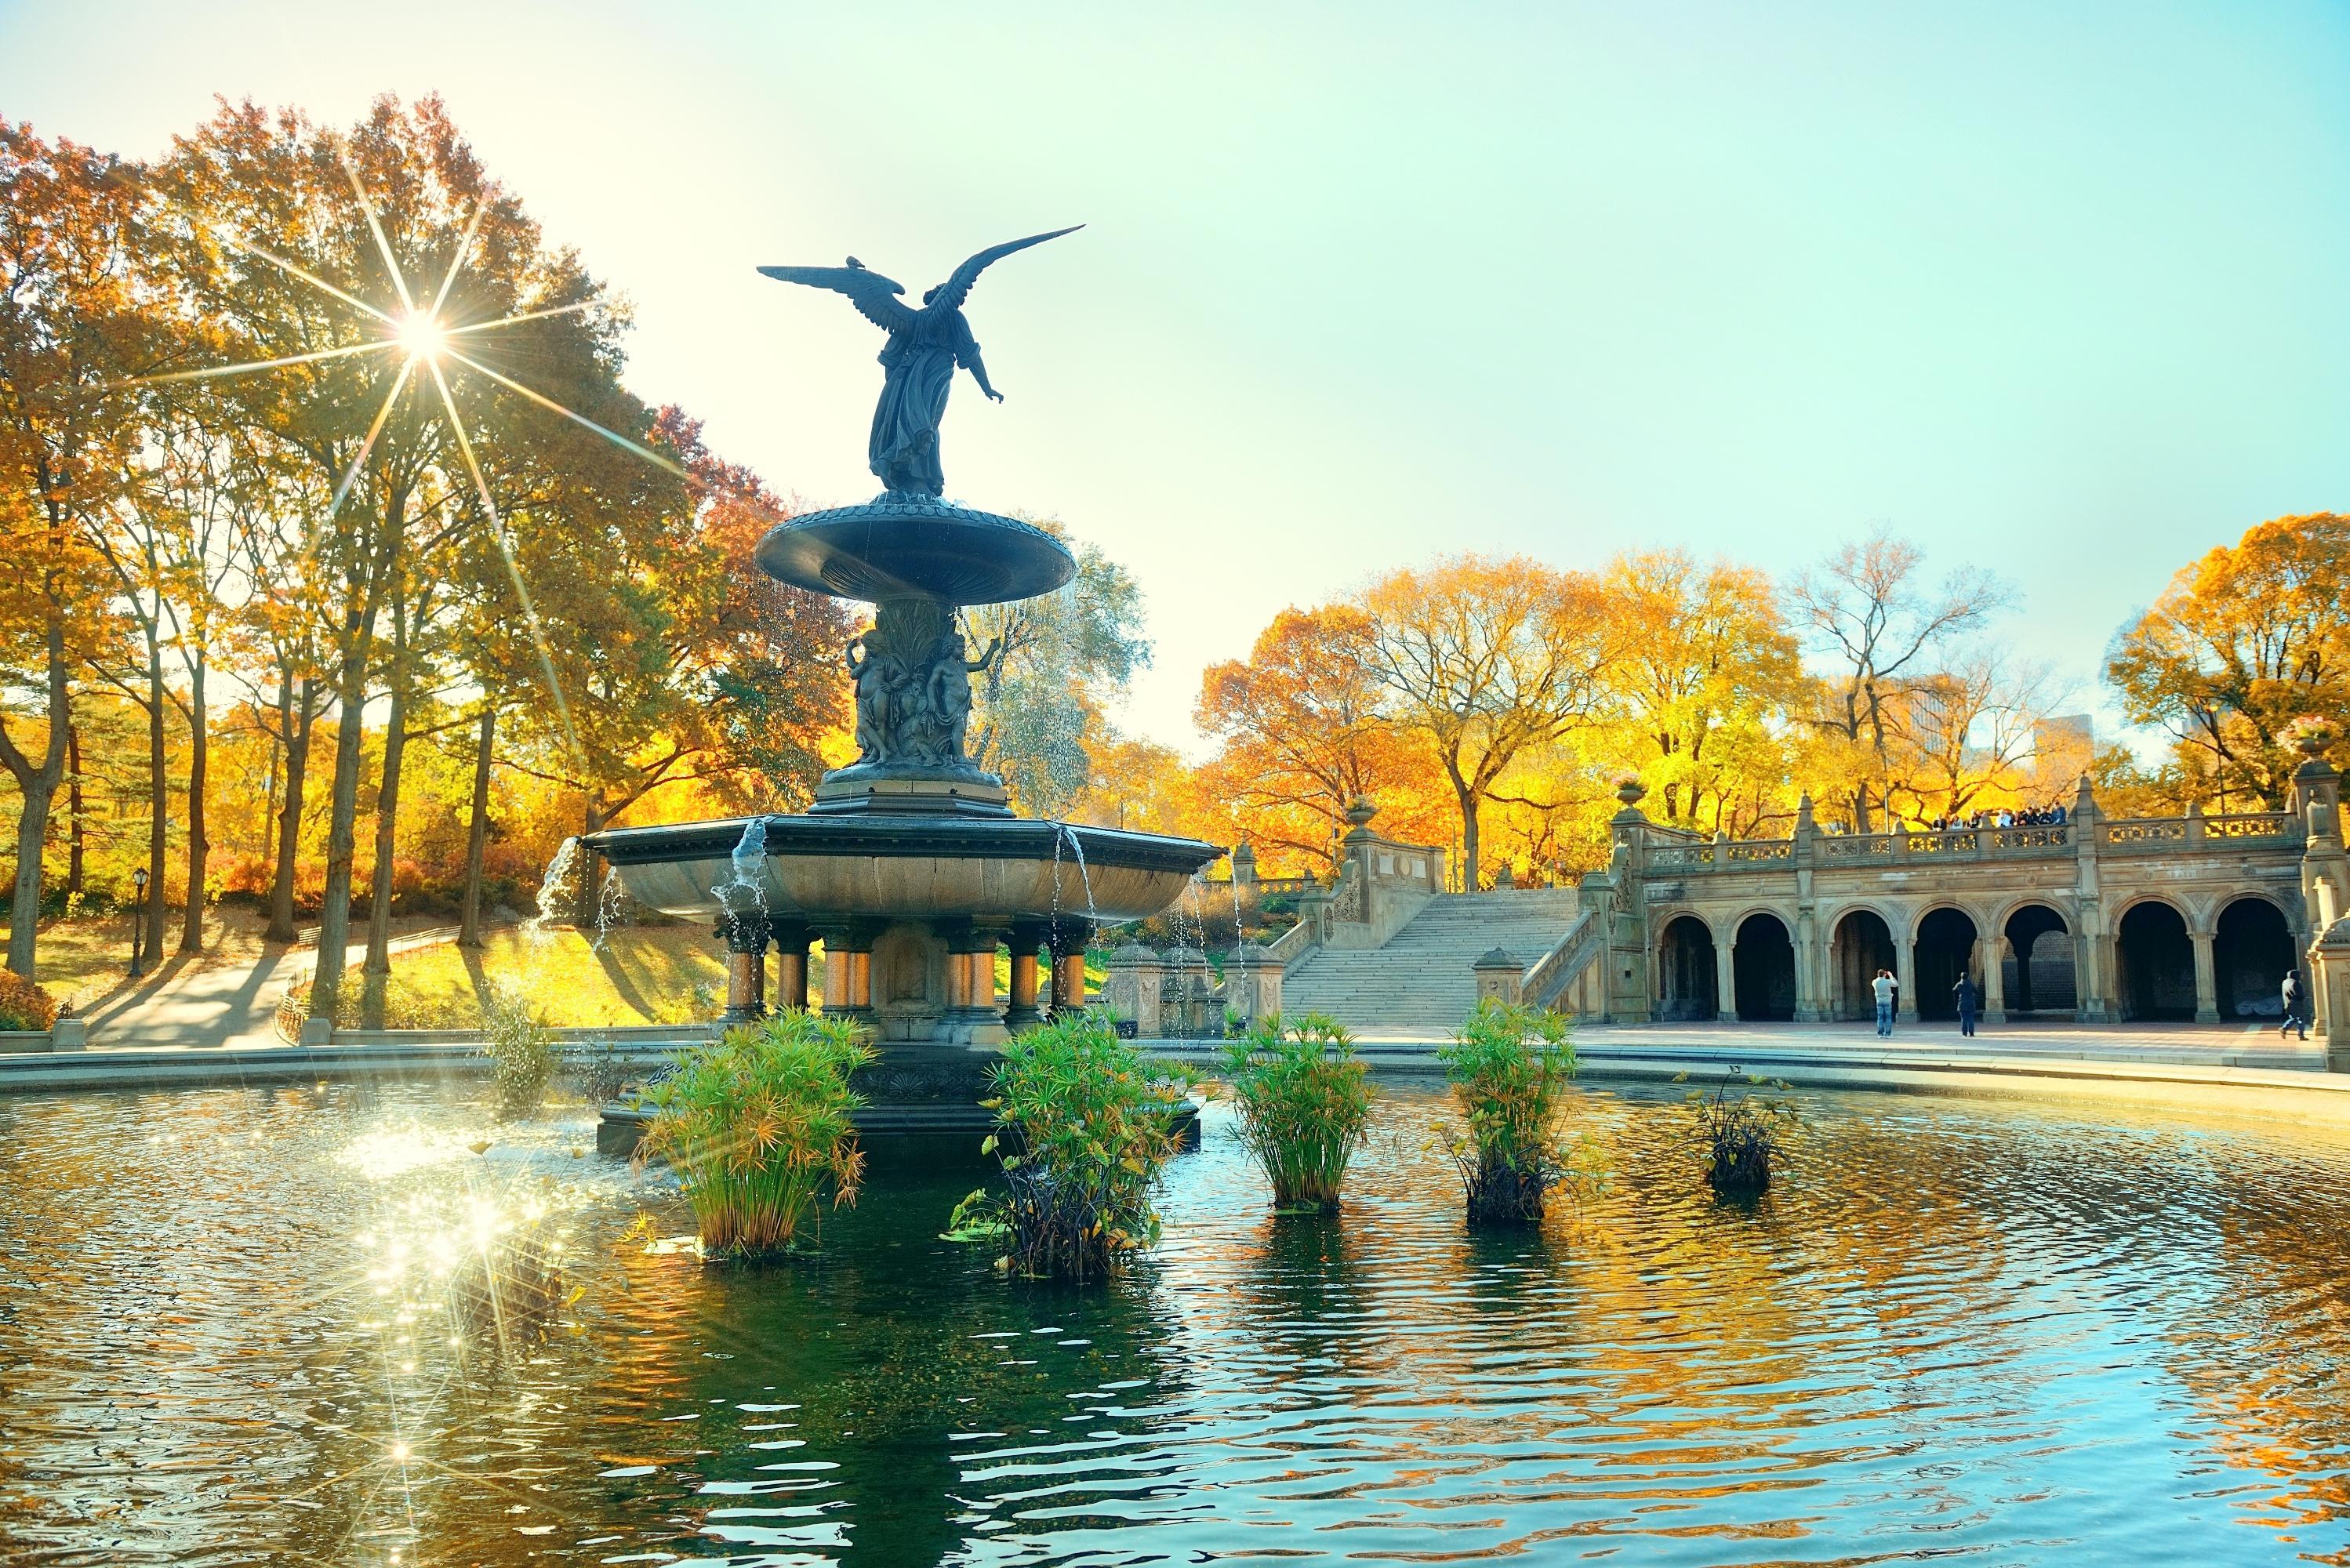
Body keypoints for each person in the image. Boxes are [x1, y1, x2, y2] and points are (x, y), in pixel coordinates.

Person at [2282, 969, 2311, 1042]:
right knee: (2301, 1019)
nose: (2301, 976)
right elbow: (2300, 995)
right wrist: (2303, 998)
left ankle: (2284, 1029)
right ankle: (2301, 1035)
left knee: (2294, 1018)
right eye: (2299, 975)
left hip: (2288, 1004)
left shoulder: (2285, 982)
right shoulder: (2295, 983)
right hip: (2296, 1004)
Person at [1872, 967, 1898, 1036]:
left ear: (1878, 974)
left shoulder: (1875, 982)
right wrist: (1891, 976)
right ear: (1884, 974)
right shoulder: (1887, 982)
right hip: (1887, 1001)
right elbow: (1896, 984)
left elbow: (1875, 982)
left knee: (1880, 1017)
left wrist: (1881, 976)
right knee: (1888, 1017)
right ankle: (1888, 1032)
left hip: (1879, 1001)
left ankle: (1880, 1032)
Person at [1954, 971, 1980, 1037]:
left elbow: (1953, 990)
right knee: (1971, 1019)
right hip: (1971, 1003)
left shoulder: (1959, 984)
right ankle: (1971, 1033)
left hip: (1962, 1003)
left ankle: (1964, 1033)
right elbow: (1977, 992)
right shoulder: (1970, 984)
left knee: (1964, 1019)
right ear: (1968, 977)